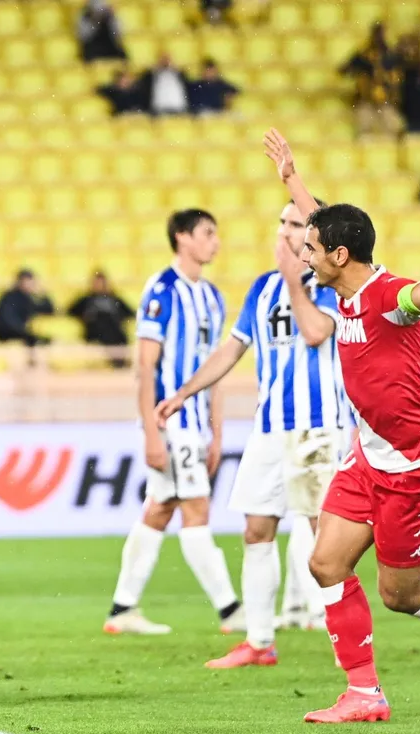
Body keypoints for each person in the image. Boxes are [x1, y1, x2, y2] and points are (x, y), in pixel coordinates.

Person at [265, 128, 420, 723]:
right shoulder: (344, 283)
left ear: (337, 258)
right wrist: (291, 179)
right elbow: (321, 222)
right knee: (325, 563)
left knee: (401, 596)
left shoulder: (388, 297)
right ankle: (363, 693)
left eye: (311, 249)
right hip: (370, 456)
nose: (303, 254)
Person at [155, 198, 347, 667]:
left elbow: (316, 332)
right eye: (281, 222)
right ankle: (260, 642)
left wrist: (291, 280)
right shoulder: (262, 287)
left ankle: (348, 644)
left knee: (327, 539)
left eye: (296, 223)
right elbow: (231, 350)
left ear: (315, 236)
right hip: (268, 429)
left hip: (318, 428)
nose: (284, 231)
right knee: (256, 529)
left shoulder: (328, 284)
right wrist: (184, 392)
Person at [104, 209, 243, 636]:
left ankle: (122, 609)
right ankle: (230, 610)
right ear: (182, 238)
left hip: (198, 424)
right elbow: (145, 367)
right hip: (171, 421)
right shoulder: (162, 290)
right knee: (195, 508)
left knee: (160, 509)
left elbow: (215, 371)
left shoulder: (214, 297)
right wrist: (150, 431)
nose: (215, 242)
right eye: (207, 233)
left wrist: (218, 434)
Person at [67, 270, 133, 368]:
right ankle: (118, 362)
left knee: (112, 328)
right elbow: (70, 311)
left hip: (114, 330)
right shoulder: (86, 299)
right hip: (94, 331)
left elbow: (130, 313)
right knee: (103, 323)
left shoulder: (114, 299)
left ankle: (119, 361)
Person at [0, 269, 54, 362]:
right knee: (32, 338)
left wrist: (43, 296)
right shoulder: (10, 297)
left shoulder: (28, 297)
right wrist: (23, 330)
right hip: (5, 331)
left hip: (19, 330)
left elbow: (48, 310)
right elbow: (7, 319)